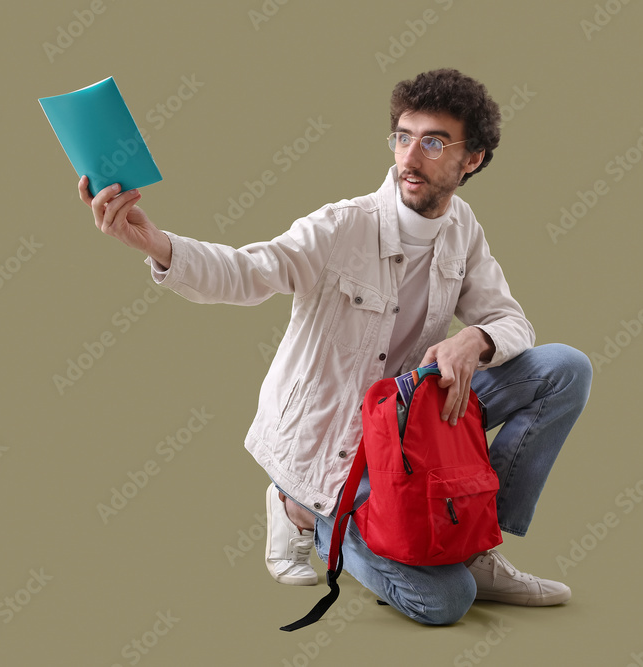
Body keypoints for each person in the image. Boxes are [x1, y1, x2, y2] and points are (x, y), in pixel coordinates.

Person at [78, 68, 592, 626]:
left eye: (434, 141)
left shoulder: (462, 227)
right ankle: (301, 510)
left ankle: (473, 541)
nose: (410, 156)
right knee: (445, 601)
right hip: (338, 452)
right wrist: (156, 243)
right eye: (402, 136)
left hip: (408, 426)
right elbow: (249, 272)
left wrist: (477, 337)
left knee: (564, 369)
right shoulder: (342, 226)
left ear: (473, 159)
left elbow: (510, 319)